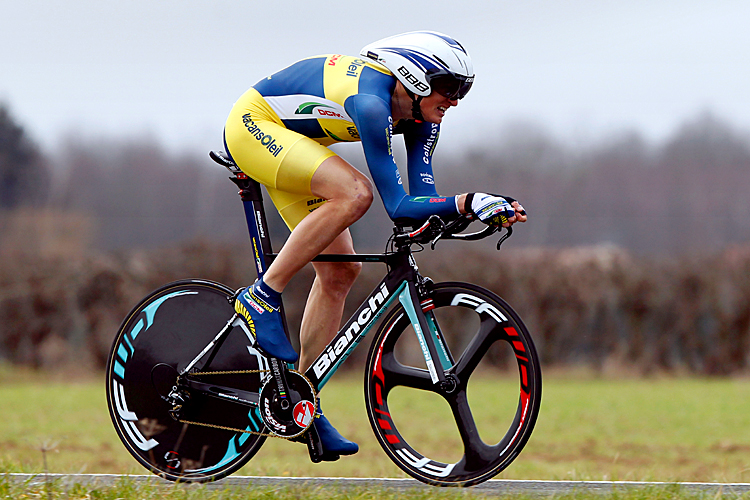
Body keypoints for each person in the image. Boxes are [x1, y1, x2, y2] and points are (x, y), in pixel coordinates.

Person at [223, 31, 527, 460]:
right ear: (415, 77)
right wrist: (469, 201)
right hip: (255, 127)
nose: (455, 100)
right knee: (356, 193)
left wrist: (475, 210)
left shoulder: (424, 121)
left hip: (299, 144)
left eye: (463, 90)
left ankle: (300, 402)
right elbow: (398, 205)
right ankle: (261, 297)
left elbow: (419, 204)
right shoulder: (371, 102)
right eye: (449, 88)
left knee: (341, 272)